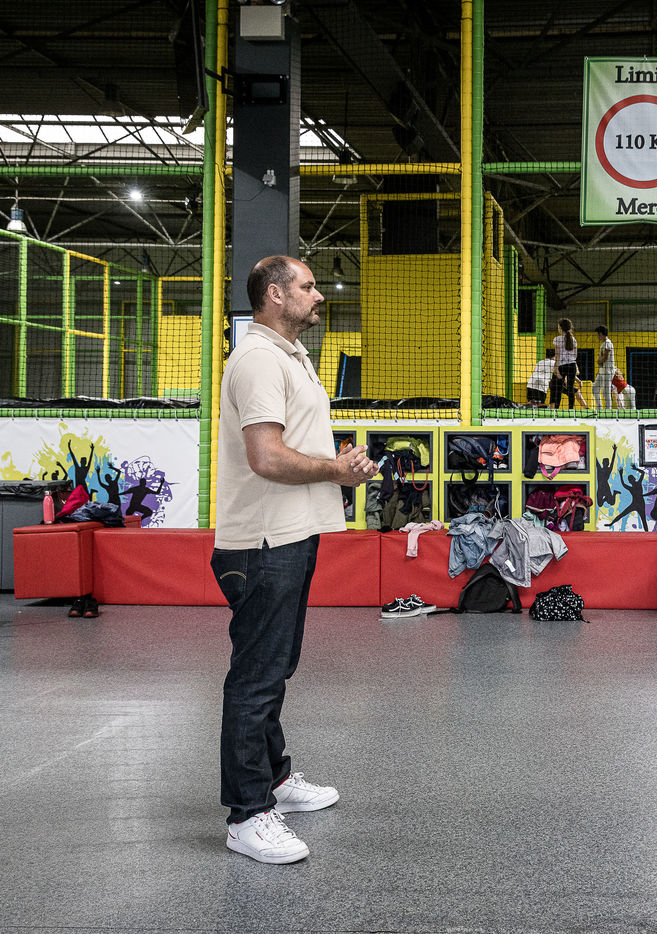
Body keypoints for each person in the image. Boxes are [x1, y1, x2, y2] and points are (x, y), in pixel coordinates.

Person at [214, 255, 379, 864]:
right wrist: (335, 469)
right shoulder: (258, 359)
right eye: (308, 286)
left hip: (291, 535)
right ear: (276, 295)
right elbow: (265, 456)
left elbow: (293, 443)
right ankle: (246, 815)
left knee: (275, 666)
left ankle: (275, 780)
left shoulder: (292, 355)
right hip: (262, 543)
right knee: (256, 676)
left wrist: (340, 467)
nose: (318, 295)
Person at [552, 317, 579, 409]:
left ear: (560, 327)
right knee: (571, 388)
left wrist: (556, 369)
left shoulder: (557, 339)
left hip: (562, 366)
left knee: (558, 389)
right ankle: (571, 409)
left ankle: (556, 409)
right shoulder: (573, 339)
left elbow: (557, 355)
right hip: (572, 365)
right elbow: (575, 355)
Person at [593, 325, 615, 409]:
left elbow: (605, 357)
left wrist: (599, 360)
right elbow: (600, 358)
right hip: (602, 370)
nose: (597, 337)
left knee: (606, 392)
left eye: (598, 335)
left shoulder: (608, 343)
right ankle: (599, 408)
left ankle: (608, 410)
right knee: (595, 388)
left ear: (601, 334)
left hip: (607, 371)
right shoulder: (603, 344)